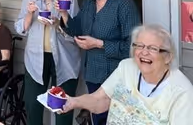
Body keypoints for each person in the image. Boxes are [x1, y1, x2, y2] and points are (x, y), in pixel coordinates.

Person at [57, 0, 141, 125]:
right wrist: (64, 14)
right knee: (98, 117)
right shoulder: (89, 1)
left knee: (116, 119)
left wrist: (99, 44)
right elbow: (77, 28)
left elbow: (133, 47)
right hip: (93, 73)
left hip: (117, 75)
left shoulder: (124, 4)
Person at [61, 24, 193, 124]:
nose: (144, 52)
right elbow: (101, 99)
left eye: (153, 48)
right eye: (139, 46)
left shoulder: (182, 92)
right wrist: (72, 102)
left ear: (168, 57)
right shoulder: (126, 67)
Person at [15, 0, 81, 125]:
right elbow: (19, 28)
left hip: (65, 59)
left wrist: (59, 22)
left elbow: (77, 34)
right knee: (32, 104)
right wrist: (30, 14)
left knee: (63, 107)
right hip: (36, 58)